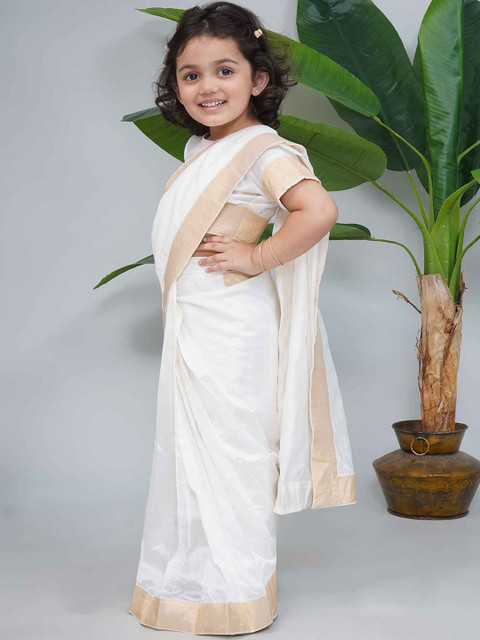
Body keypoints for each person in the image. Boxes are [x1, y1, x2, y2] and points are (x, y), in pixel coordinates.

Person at [128, 2, 356, 635]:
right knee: (188, 455)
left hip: (234, 331)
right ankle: (189, 587)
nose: (208, 87)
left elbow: (318, 211)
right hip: (197, 326)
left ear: (258, 79)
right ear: (175, 85)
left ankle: (237, 593)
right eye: (191, 74)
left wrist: (258, 257)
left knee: (233, 458)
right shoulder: (202, 148)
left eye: (224, 71)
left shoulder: (263, 150)